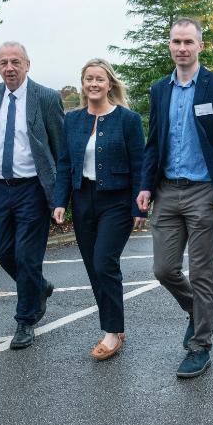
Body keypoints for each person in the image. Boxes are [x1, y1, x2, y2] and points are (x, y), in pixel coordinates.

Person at [136, 17, 213, 378]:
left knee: (201, 272)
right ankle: (196, 311)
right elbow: (154, 142)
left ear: (200, 46)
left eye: (188, 42)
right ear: (169, 45)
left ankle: (200, 346)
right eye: (175, 42)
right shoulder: (159, 89)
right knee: (163, 269)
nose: (181, 48)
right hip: (166, 191)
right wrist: (146, 185)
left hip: (203, 193)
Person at [0, 41, 64, 349]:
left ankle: (25, 321)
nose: (9, 68)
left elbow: (58, 146)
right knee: (0, 249)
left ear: (27, 64)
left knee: (27, 256)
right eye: (3, 63)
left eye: (15, 62)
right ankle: (38, 287)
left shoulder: (47, 98)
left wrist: (60, 195)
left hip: (32, 189)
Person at [53, 59, 146, 360]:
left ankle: (111, 332)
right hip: (83, 199)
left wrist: (139, 207)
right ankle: (114, 327)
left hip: (116, 201)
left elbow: (139, 165)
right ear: (83, 84)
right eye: (88, 79)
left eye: (99, 79)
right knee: (94, 267)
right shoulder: (73, 120)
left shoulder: (127, 120)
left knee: (105, 261)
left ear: (110, 84)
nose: (94, 84)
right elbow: (65, 162)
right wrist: (59, 201)